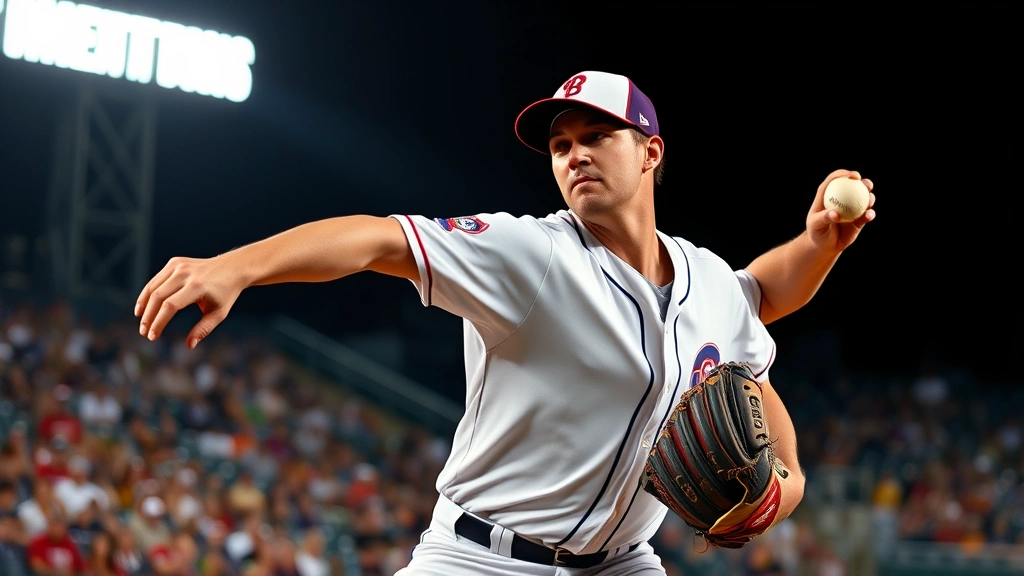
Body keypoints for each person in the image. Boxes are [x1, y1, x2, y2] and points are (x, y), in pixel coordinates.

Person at [135, 70, 875, 574]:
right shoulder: (532, 254)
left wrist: (792, 480)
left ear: (650, 151)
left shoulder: (707, 281)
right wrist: (240, 265)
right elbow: (378, 240)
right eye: (560, 146)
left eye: (596, 136)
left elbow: (757, 307)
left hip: (621, 562)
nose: (574, 154)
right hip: (478, 558)